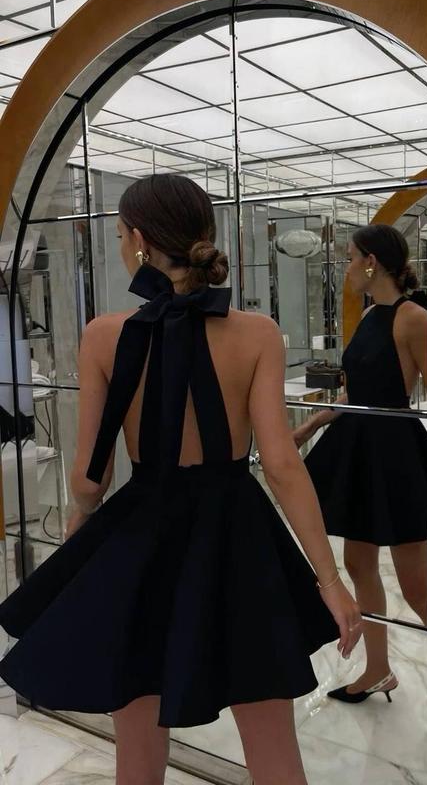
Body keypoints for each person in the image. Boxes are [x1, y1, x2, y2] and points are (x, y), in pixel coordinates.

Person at [0, 174, 362, 785]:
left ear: (140, 241)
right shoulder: (257, 333)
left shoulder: (104, 336)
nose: (121, 247)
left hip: (144, 537)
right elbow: (281, 464)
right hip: (239, 538)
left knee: (138, 755)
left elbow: (90, 479)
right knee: (274, 751)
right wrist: (330, 580)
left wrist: (82, 518)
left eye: (120, 236)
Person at [294, 224, 427, 773]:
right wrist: (309, 426)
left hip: (395, 457)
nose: (345, 267)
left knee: (419, 590)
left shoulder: (412, 318)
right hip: (359, 449)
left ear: (373, 262)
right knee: (359, 564)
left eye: (350, 258)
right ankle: (378, 668)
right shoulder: (368, 318)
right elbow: (354, 395)